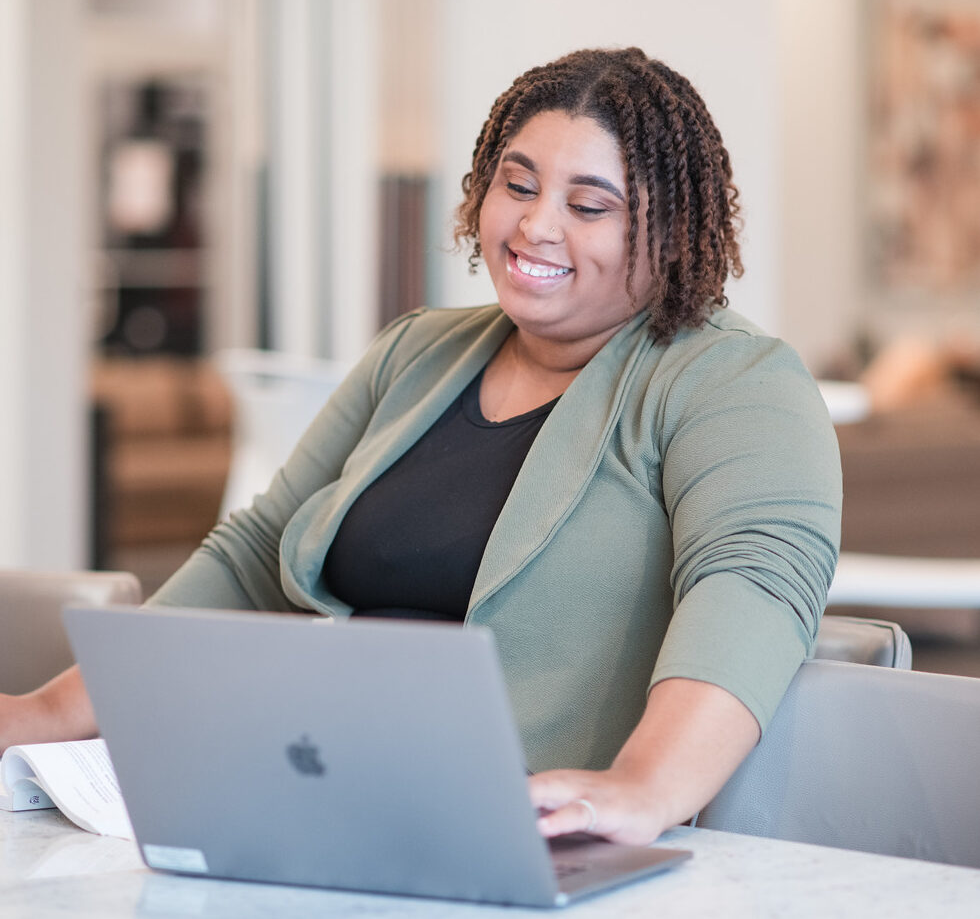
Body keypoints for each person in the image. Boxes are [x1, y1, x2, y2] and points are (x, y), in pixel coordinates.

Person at [0, 47, 841, 846]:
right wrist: (39, 713)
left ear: (673, 230)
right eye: (517, 185)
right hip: (320, 783)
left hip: (524, 818)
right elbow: (256, 555)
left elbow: (753, 586)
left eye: (589, 206)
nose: (536, 226)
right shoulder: (417, 351)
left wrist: (642, 787)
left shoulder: (735, 379)